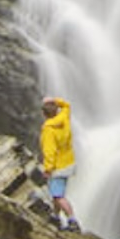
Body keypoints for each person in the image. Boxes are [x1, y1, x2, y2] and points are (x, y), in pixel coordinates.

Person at [39, 95, 80, 231]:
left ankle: (72, 219)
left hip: (58, 167)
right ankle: (55, 217)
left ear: (44, 114)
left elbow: (49, 151)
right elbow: (67, 105)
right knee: (56, 192)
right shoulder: (64, 118)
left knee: (58, 196)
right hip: (69, 162)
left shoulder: (49, 130)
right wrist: (55, 101)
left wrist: (48, 169)